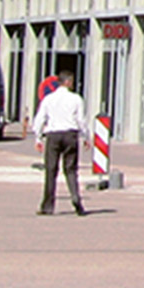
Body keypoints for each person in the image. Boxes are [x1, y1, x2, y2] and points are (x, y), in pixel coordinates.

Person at [30, 71, 88, 217]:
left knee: (51, 170)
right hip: (70, 135)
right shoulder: (76, 99)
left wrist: (38, 138)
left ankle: (48, 206)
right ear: (68, 82)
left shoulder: (49, 99)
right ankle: (76, 198)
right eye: (72, 81)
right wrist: (85, 136)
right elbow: (81, 120)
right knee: (71, 170)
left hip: (53, 135)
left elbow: (39, 119)